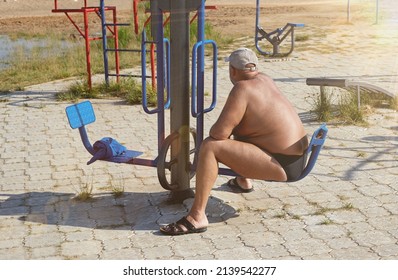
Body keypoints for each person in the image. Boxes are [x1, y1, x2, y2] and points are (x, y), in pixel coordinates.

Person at [160, 48, 308, 235]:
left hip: (282, 165)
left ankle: (197, 216)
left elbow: (219, 133)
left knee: (210, 146)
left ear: (232, 70)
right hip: (296, 159)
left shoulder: (242, 88)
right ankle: (243, 180)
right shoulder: (265, 79)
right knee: (246, 127)